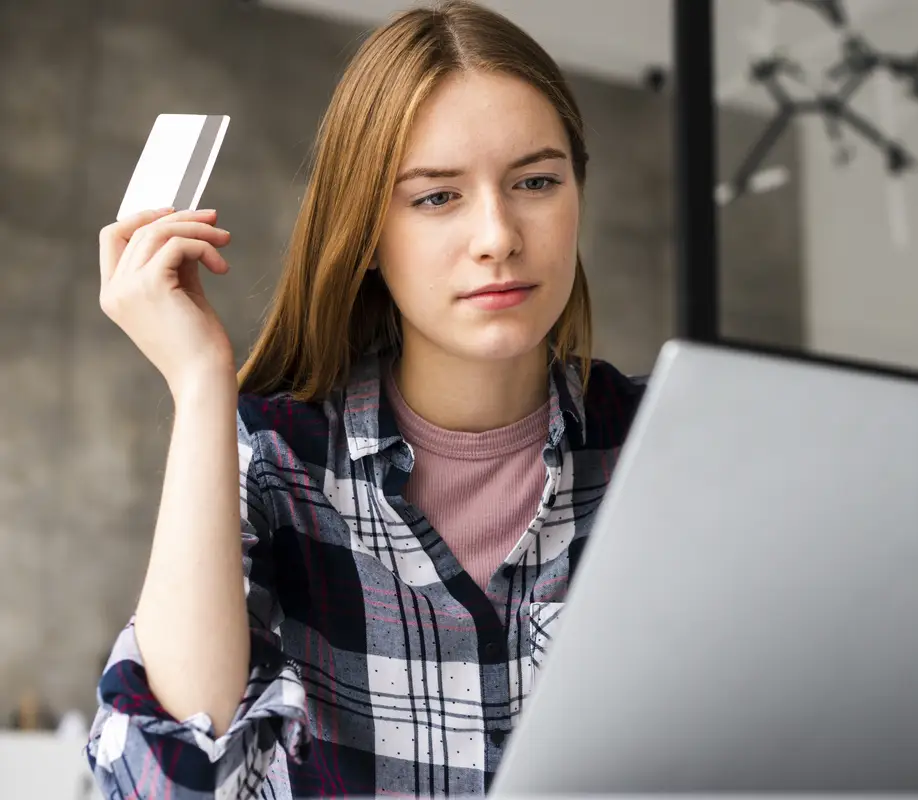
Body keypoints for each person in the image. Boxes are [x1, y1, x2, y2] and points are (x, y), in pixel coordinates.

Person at [84, 2, 645, 796]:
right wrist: (203, 383)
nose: (498, 234)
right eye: (436, 197)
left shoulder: (664, 451)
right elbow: (169, 783)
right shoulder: (273, 461)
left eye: (536, 181)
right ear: (369, 233)